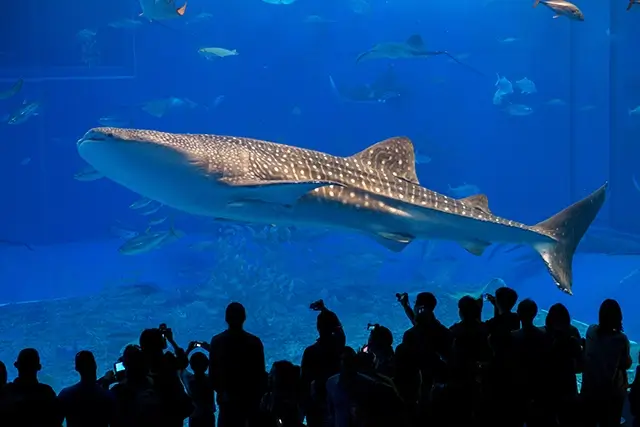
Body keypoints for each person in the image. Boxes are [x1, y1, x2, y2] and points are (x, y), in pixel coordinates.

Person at [210, 302, 266, 427]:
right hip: (250, 401)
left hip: (226, 401)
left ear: (226, 318)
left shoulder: (217, 341)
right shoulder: (255, 342)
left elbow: (213, 375)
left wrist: (223, 392)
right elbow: (260, 374)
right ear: (244, 317)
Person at [581, 299, 632, 427]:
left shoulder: (590, 331)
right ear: (618, 317)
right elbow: (626, 364)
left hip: (589, 391)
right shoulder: (621, 339)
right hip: (610, 396)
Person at [58, 350, 115, 427]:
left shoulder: (66, 394)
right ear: (95, 365)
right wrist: (106, 385)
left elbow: (55, 422)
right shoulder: (107, 395)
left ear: (76, 368)